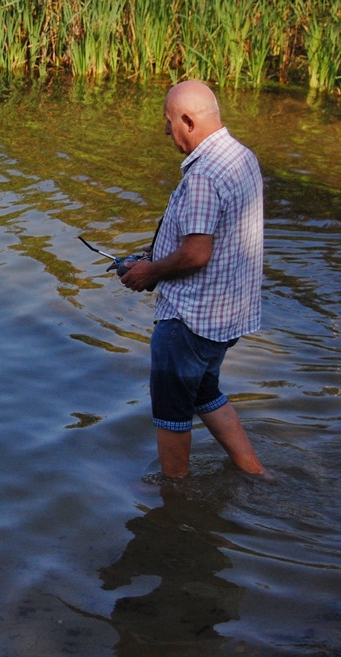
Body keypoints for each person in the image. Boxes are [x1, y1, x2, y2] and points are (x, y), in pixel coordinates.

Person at [121, 80, 265, 479]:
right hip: (227, 316)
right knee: (204, 391)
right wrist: (153, 254)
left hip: (191, 319)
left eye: (169, 122)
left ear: (187, 120)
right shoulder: (241, 156)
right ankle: (255, 471)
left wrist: (149, 272)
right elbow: (215, 237)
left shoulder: (202, 174)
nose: (166, 131)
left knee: (170, 412)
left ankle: (175, 502)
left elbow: (197, 253)